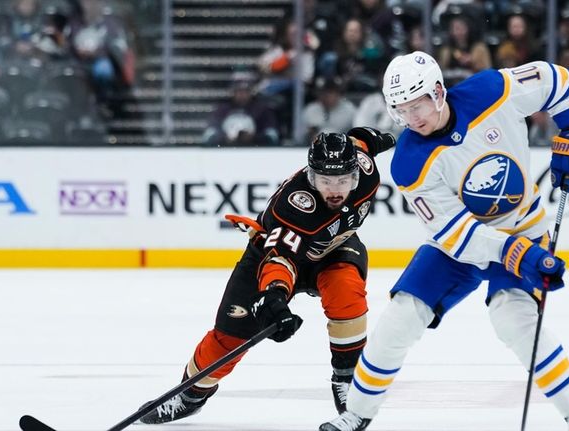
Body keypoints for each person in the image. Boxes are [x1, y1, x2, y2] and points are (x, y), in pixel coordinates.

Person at [320, 51, 569, 431]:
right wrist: (513, 253)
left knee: (514, 319)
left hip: (524, 228)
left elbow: (558, 80)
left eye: (418, 104)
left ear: (438, 91)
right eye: (402, 110)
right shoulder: (409, 162)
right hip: (460, 245)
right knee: (400, 317)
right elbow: (456, 235)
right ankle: (356, 413)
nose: (413, 118)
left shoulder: (491, 91)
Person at [137, 128, 396, 424]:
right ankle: (189, 395)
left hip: (333, 251)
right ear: (312, 177)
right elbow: (280, 260)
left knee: (347, 292)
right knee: (228, 339)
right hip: (271, 258)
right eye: (325, 181)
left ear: (355, 173)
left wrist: (373, 136)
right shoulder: (294, 206)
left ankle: (347, 375)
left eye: (342, 180)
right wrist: (273, 298)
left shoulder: (366, 168)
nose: (335, 190)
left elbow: (360, 140)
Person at [203, 71, 279, 146]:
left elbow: (272, 136)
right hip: (225, 152)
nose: (242, 95)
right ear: (232, 92)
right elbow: (209, 136)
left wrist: (254, 138)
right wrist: (225, 138)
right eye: (239, 91)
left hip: (256, 152)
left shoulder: (262, 110)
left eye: (245, 91)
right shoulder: (222, 110)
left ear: (251, 92)